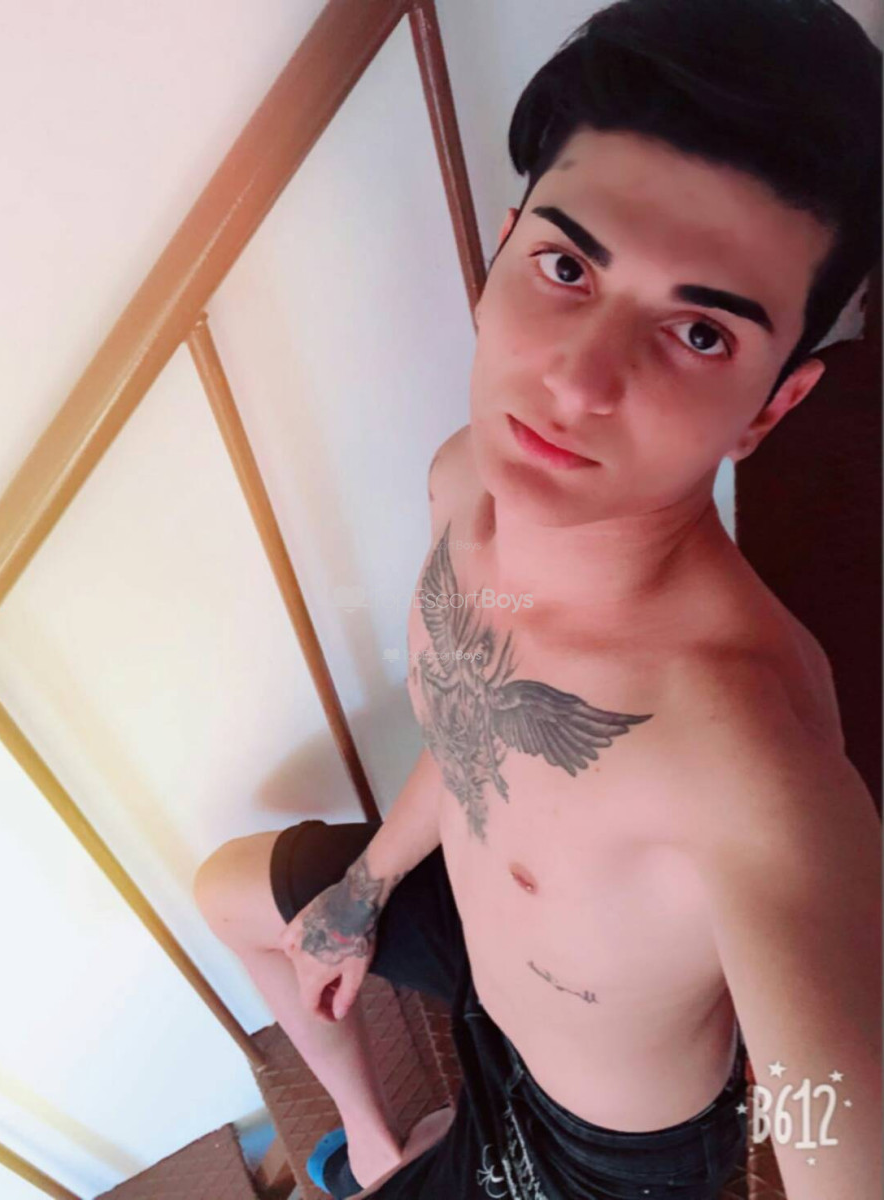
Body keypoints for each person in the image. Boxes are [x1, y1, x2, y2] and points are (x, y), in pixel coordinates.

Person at [193, 1, 882, 1196]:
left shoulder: (747, 757)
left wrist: (808, 1121)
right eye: (567, 267)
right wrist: (364, 888)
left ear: (770, 408)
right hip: (477, 932)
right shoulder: (465, 481)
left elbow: (840, 1130)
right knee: (228, 894)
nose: (578, 379)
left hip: (596, 1147)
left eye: (699, 332)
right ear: (499, 254)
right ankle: (370, 1144)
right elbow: (477, 721)